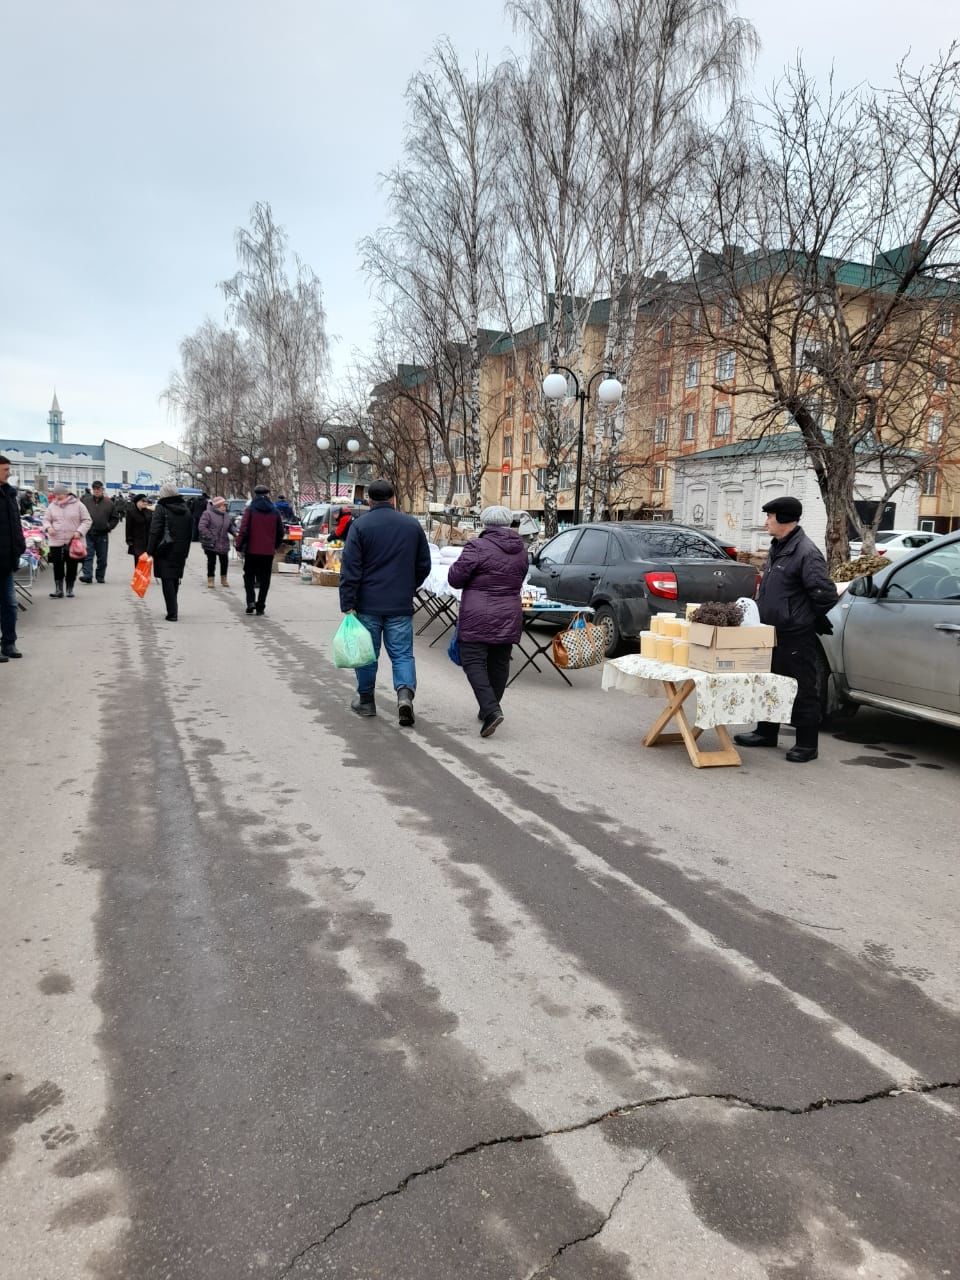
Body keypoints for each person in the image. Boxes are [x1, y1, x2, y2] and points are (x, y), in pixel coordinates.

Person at [734, 496, 839, 764]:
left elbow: (825, 594)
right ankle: (766, 732)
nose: (766, 521)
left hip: (795, 633)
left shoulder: (805, 551)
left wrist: (802, 619)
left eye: (769, 516)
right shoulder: (779, 547)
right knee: (768, 682)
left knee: (802, 687)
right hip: (770, 631)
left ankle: (806, 744)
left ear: (783, 518)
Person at [338, 477, 431, 725]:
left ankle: (366, 701)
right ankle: (404, 697)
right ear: (393, 499)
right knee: (402, 653)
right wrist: (408, 586)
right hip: (400, 603)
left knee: (368, 654)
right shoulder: (411, 525)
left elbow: (350, 568)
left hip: (367, 604)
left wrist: (348, 602)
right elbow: (424, 565)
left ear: (369, 500)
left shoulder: (360, 526)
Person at [447, 505, 529, 738]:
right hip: (509, 612)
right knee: (499, 661)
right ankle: (489, 707)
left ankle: (491, 709)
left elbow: (455, 578)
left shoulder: (477, 546)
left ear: (485, 523)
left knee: (472, 660)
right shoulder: (521, 550)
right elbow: (520, 578)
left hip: (478, 613)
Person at [147, 482, 193, 621]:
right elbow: (190, 531)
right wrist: (186, 550)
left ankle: (172, 612)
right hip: (181, 550)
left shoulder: (161, 508)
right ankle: (173, 607)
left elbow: (155, 530)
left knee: (167, 579)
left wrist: (150, 550)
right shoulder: (185, 508)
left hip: (164, 548)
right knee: (174, 578)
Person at [236, 484, 284, 615]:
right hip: (268, 551)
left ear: (255, 495)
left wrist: (239, 545)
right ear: (268, 494)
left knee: (249, 576)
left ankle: (250, 601)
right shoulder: (275, 511)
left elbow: (243, 529)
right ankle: (261, 604)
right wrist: (274, 545)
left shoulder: (250, 510)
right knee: (265, 578)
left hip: (252, 550)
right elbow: (281, 531)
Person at [42, 483, 92, 599]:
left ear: (66, 493)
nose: (58, 496)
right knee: (57, 565)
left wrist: (79, 532)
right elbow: (45, 520)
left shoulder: (78, 505)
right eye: (56, 494)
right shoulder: (52, 506)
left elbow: (87, 520)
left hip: (73, 541)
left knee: (72, 565)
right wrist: (48, 527)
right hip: (56, 541)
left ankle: (70, 588)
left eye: (60, 494)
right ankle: (58, 589)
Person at [0, 455, 27, 661]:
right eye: (5, 469)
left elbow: (16, 524)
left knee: (10, 604)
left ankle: (9, 643)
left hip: (8, 559)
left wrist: (19, 548)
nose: (8, 472)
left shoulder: (10, 493)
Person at [80, 480, 118, 584]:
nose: (97, 491)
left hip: (102, 534)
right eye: (95, 489)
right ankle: (87, 575)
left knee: (102, 557)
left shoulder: (109, 503)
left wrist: (109, 527)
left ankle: (100, 576)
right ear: (92, 490)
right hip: (89, 533)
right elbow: (80, 515)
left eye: (99, 489)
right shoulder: (86, 501)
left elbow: (115, 518)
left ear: (102, 490)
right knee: (88, 555)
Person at [198, 495, 235, 589]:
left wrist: (236, 533)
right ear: (216, 506)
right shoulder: (207, 513)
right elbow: (202, 526)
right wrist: (210, 536)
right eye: (222, 505)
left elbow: (230, 526)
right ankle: (210, 579)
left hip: (223, 542)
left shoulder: (226, 515)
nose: (224, 507)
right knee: (211, 561)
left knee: (224, 561)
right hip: (211, 542)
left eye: (225, 505)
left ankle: (224, 578)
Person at [125, 494, 152, 564]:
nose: (145, 503)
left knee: (147, 565)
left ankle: (145, 575)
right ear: (137, 502)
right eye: (143, 501)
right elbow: (128, 527)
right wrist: (129, 540)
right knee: (139, 564)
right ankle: (138, 575)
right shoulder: (131, 512)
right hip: (137, 543)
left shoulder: (149, 512)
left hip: (148, 543)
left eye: (146, 501)